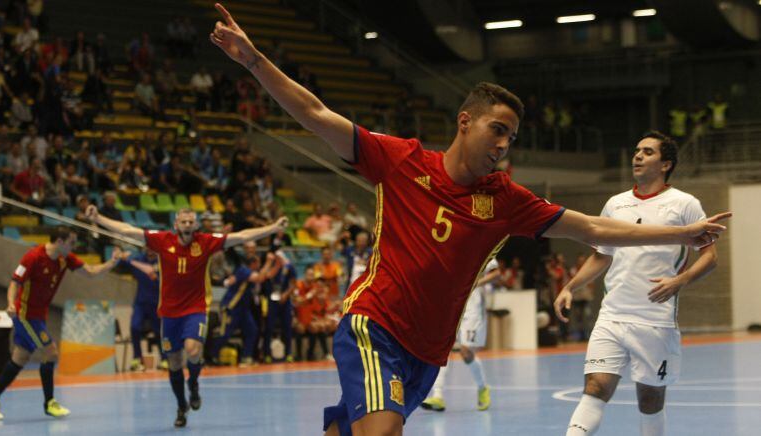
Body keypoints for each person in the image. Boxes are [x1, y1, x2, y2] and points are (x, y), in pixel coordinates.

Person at [209, 6, 729, 434]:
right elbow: (317, 114)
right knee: (383, 431)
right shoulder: (401, 160)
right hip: (375, 325)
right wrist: (253, 60)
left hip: (428, 352)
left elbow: (592, 228)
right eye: (497, 130)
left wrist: (682, 233)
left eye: (512, 138)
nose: (503, 145)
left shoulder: (504, 199)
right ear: (465, 121)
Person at [554, 132, 721, 436]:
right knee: (595, 387)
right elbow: (601, 256)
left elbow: (710, 257)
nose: (638, 156)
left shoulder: (684, 204)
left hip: (655, 319)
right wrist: (570, 286)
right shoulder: (615, 205)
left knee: (650, 398)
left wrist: (679, 281)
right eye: (636, 151)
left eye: (647, 152)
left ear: (666, 163)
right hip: (612, 315)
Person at [86, 205, 288, 428]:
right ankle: (181, 405)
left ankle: (193, 382)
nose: (187, 225)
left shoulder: (206, 243)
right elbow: (127, 230)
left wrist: (272, 228)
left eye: (191, 221)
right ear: (176, 225)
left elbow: (241, 236)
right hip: (170, 313)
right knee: (173, 362)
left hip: (195, 309)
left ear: (196, 224)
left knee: (192, 349)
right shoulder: (162, 241)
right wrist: (99, 218)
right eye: (183, 222)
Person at [0, 226, 122, 421]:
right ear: (59, 242)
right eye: (71, 242)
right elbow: (15, 281)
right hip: (25, 315)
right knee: (51, 352)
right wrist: (10, 303)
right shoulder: (33, 257)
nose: (74, 246)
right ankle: (50, 403)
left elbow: (91, 272)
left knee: (20, 358)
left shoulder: (64, 259)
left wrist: (112, 262)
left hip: (39, 316)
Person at [421, 258, 502, 412]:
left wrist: (475, 284)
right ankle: (438, 396)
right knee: (441, 350)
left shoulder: (483, 245)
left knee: (466, 353)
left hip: (472, 309)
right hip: (451, 306)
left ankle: (482, 388)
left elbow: (496, 274)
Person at [212, 250, 279, 366]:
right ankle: (212, 356)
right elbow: (259, 278)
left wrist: (277, 264)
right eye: (258, 264)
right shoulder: (243, 271)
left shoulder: (250, 272)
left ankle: (246, 357)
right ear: (252, 264)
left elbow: (266, 276)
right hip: (231, 307)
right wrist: (268, 262)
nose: (259, 266)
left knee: (252, 330)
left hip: (243, 309)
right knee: (225, 333)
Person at [119, 248, 168, 371]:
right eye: (148, 245)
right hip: (140, 303)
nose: (150, 249)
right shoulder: (138, 259)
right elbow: (121, 264)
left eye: (153, 246)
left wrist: (155, 277)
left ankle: (165, 359)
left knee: (159, 333)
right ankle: (137, 359)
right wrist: (120, 255)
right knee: (135, 327)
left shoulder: (163, 261)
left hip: (156, 304)